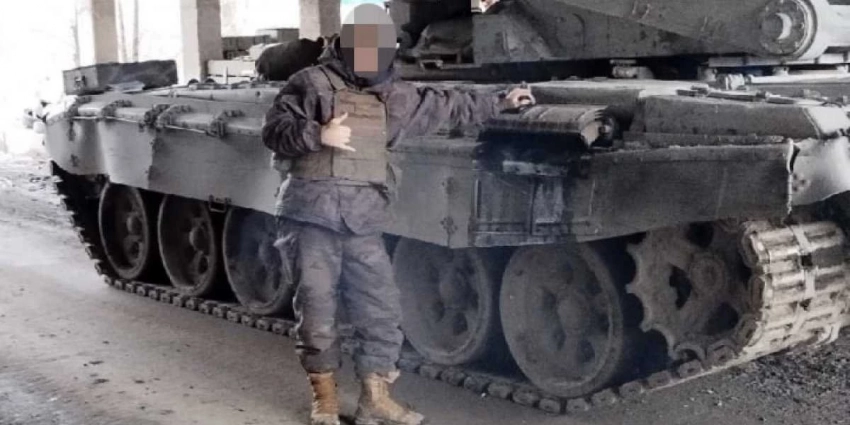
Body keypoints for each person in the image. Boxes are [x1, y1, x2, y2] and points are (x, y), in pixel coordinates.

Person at [261, 4, 533, 425]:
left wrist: (503, 100)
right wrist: (319, 134)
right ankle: (325, 401)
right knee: (316, 309)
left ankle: (374, 399)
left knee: (381, 309)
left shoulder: (396, 94)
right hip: (311, 216)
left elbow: (449, 105)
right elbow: (274, 131)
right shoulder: (310, 83)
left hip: (362, 220)